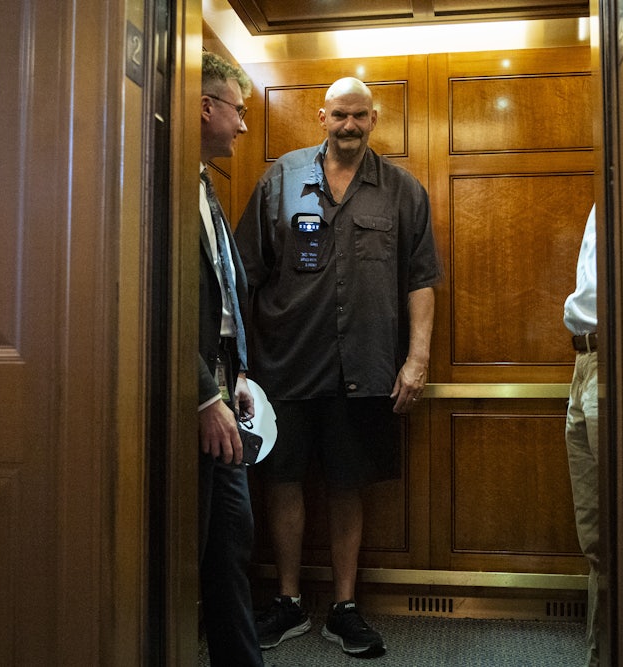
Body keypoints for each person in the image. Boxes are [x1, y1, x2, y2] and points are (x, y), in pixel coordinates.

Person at [235, 77, 441, 658]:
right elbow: (245, 273)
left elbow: (423, 279)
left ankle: (345, 607)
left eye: (360, 116)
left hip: (367, 367)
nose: (349, 126)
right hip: (284, 365)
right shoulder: (281, 177)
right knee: (282, 481)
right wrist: (240, 367)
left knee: (349, 485)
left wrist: (417, 359)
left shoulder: (402, 190)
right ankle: (290, 600)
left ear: (374, 119)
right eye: (339, 116)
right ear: (321, 116)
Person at [195, 51, 263, 667]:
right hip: (189, 399)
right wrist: (202, 394)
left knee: (229, 548)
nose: (244, 126)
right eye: (238, 112)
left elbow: (224, 294)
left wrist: (235, 372)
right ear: (205, 107)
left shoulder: (204, 187)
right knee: (194, 555)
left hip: (221, 385)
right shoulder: (156, 184)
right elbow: (156, 306)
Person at [563, 204, 599, 667]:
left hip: (617, 362)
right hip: (584, 362)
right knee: (595, 535)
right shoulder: (603, 199)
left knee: (622, 528)